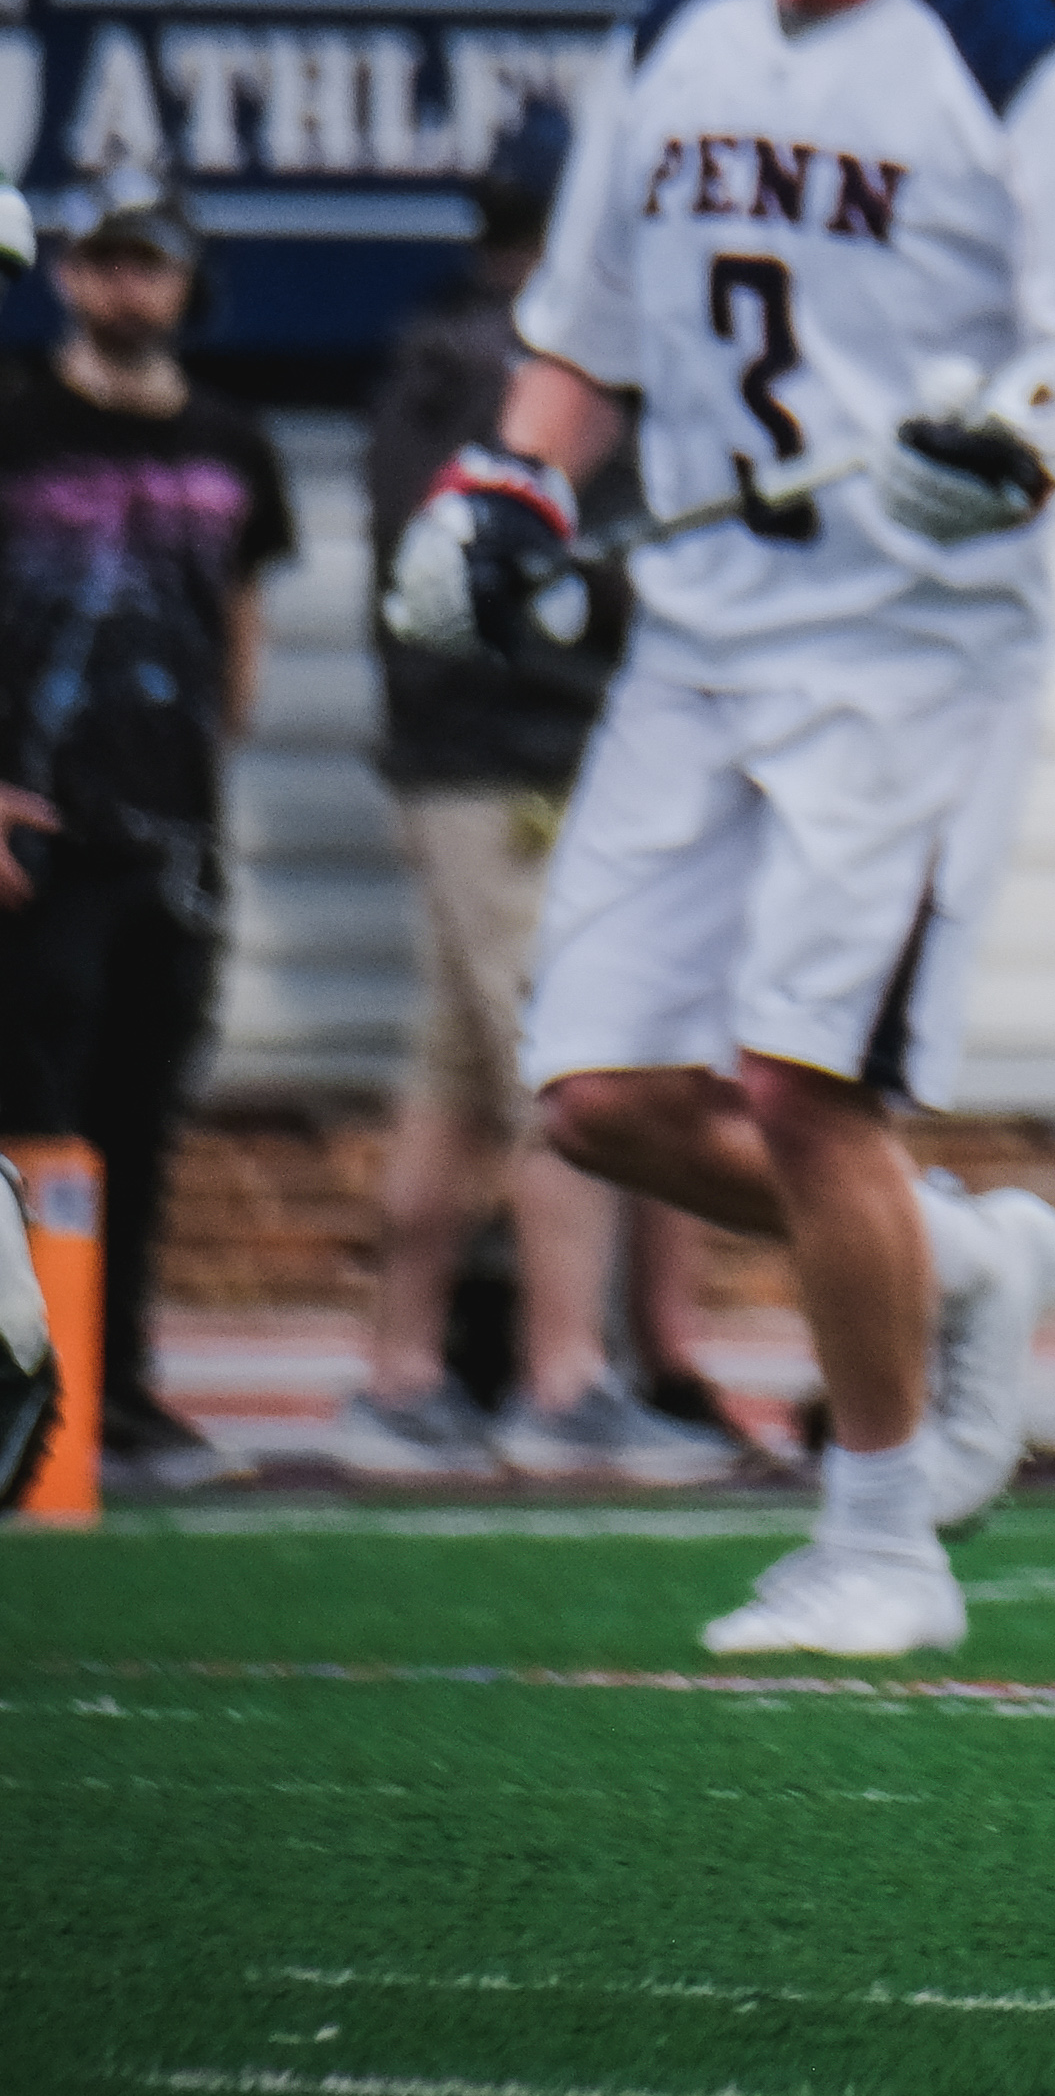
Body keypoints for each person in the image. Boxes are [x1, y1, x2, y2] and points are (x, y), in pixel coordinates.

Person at [381, 0, 1055, 1655]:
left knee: (802, 1089)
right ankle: (952, 1266)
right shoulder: (678, 26)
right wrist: (498, 494)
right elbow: (580, 339)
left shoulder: (1027, 56)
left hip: (911, 649)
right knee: (591, 1092)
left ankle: (878, 1542)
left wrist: (1019, 442)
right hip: (699, 637)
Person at [317, 102, 729, 1484]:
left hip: (454, 760)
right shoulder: (524, 369)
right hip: (520, 763)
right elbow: (522, 576)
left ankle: (399, 1374)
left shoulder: (425, 354)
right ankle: (563, 1381)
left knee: (449, 1080)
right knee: (569, 1065)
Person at [0, 185, 295, 1489]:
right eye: (106, 262)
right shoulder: (13, 425)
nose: (128, 288)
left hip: (170, 832)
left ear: (184, 283)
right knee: (32, 1114)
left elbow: (239, 619)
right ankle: (33, 1386)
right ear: (68, 272)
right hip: (34, 827)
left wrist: (208, 771)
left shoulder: (235, 440)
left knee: (139, 1117)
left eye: (150, 266)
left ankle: (119, 1387)